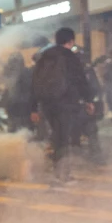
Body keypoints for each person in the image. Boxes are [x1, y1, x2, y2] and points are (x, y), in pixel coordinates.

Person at [31, 27, 95, 185]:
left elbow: (33, 83)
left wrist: (33, 108)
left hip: (47, 104)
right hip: (66, 103)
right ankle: (62, 174)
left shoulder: (44, 57)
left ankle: (57, 170)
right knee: (64, 137)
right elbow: (80, 80)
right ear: (71, 41)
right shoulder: (70, 57)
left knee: (56, 135)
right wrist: (88, 100)